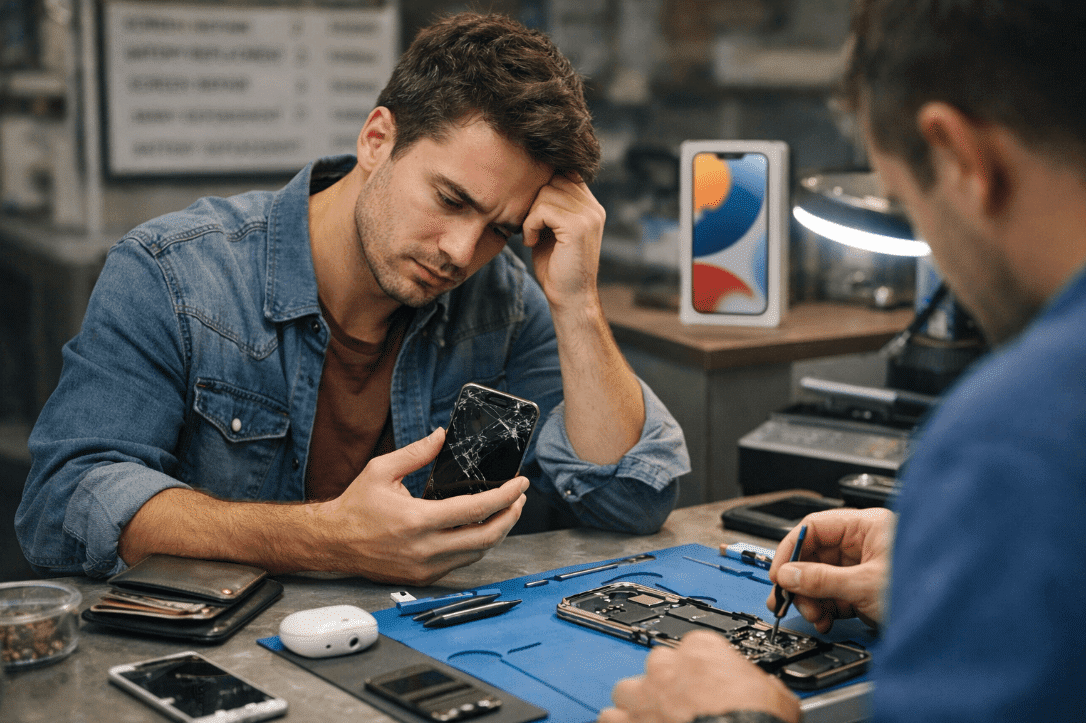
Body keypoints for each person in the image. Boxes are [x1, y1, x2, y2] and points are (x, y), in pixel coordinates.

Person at [16, 13, 689, 583]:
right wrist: (325, 538)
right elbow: (64, 502)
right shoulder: (176, 273)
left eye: (499, 230)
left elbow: (630, 500)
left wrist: (577, 302)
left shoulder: (503, 301)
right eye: (450, 200)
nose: (462, 251)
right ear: (377, 140)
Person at [600, 0, 1086, 721]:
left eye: (907, 204)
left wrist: (739, 717)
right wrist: (945, 566)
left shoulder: (1019, 433)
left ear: (958, 157)